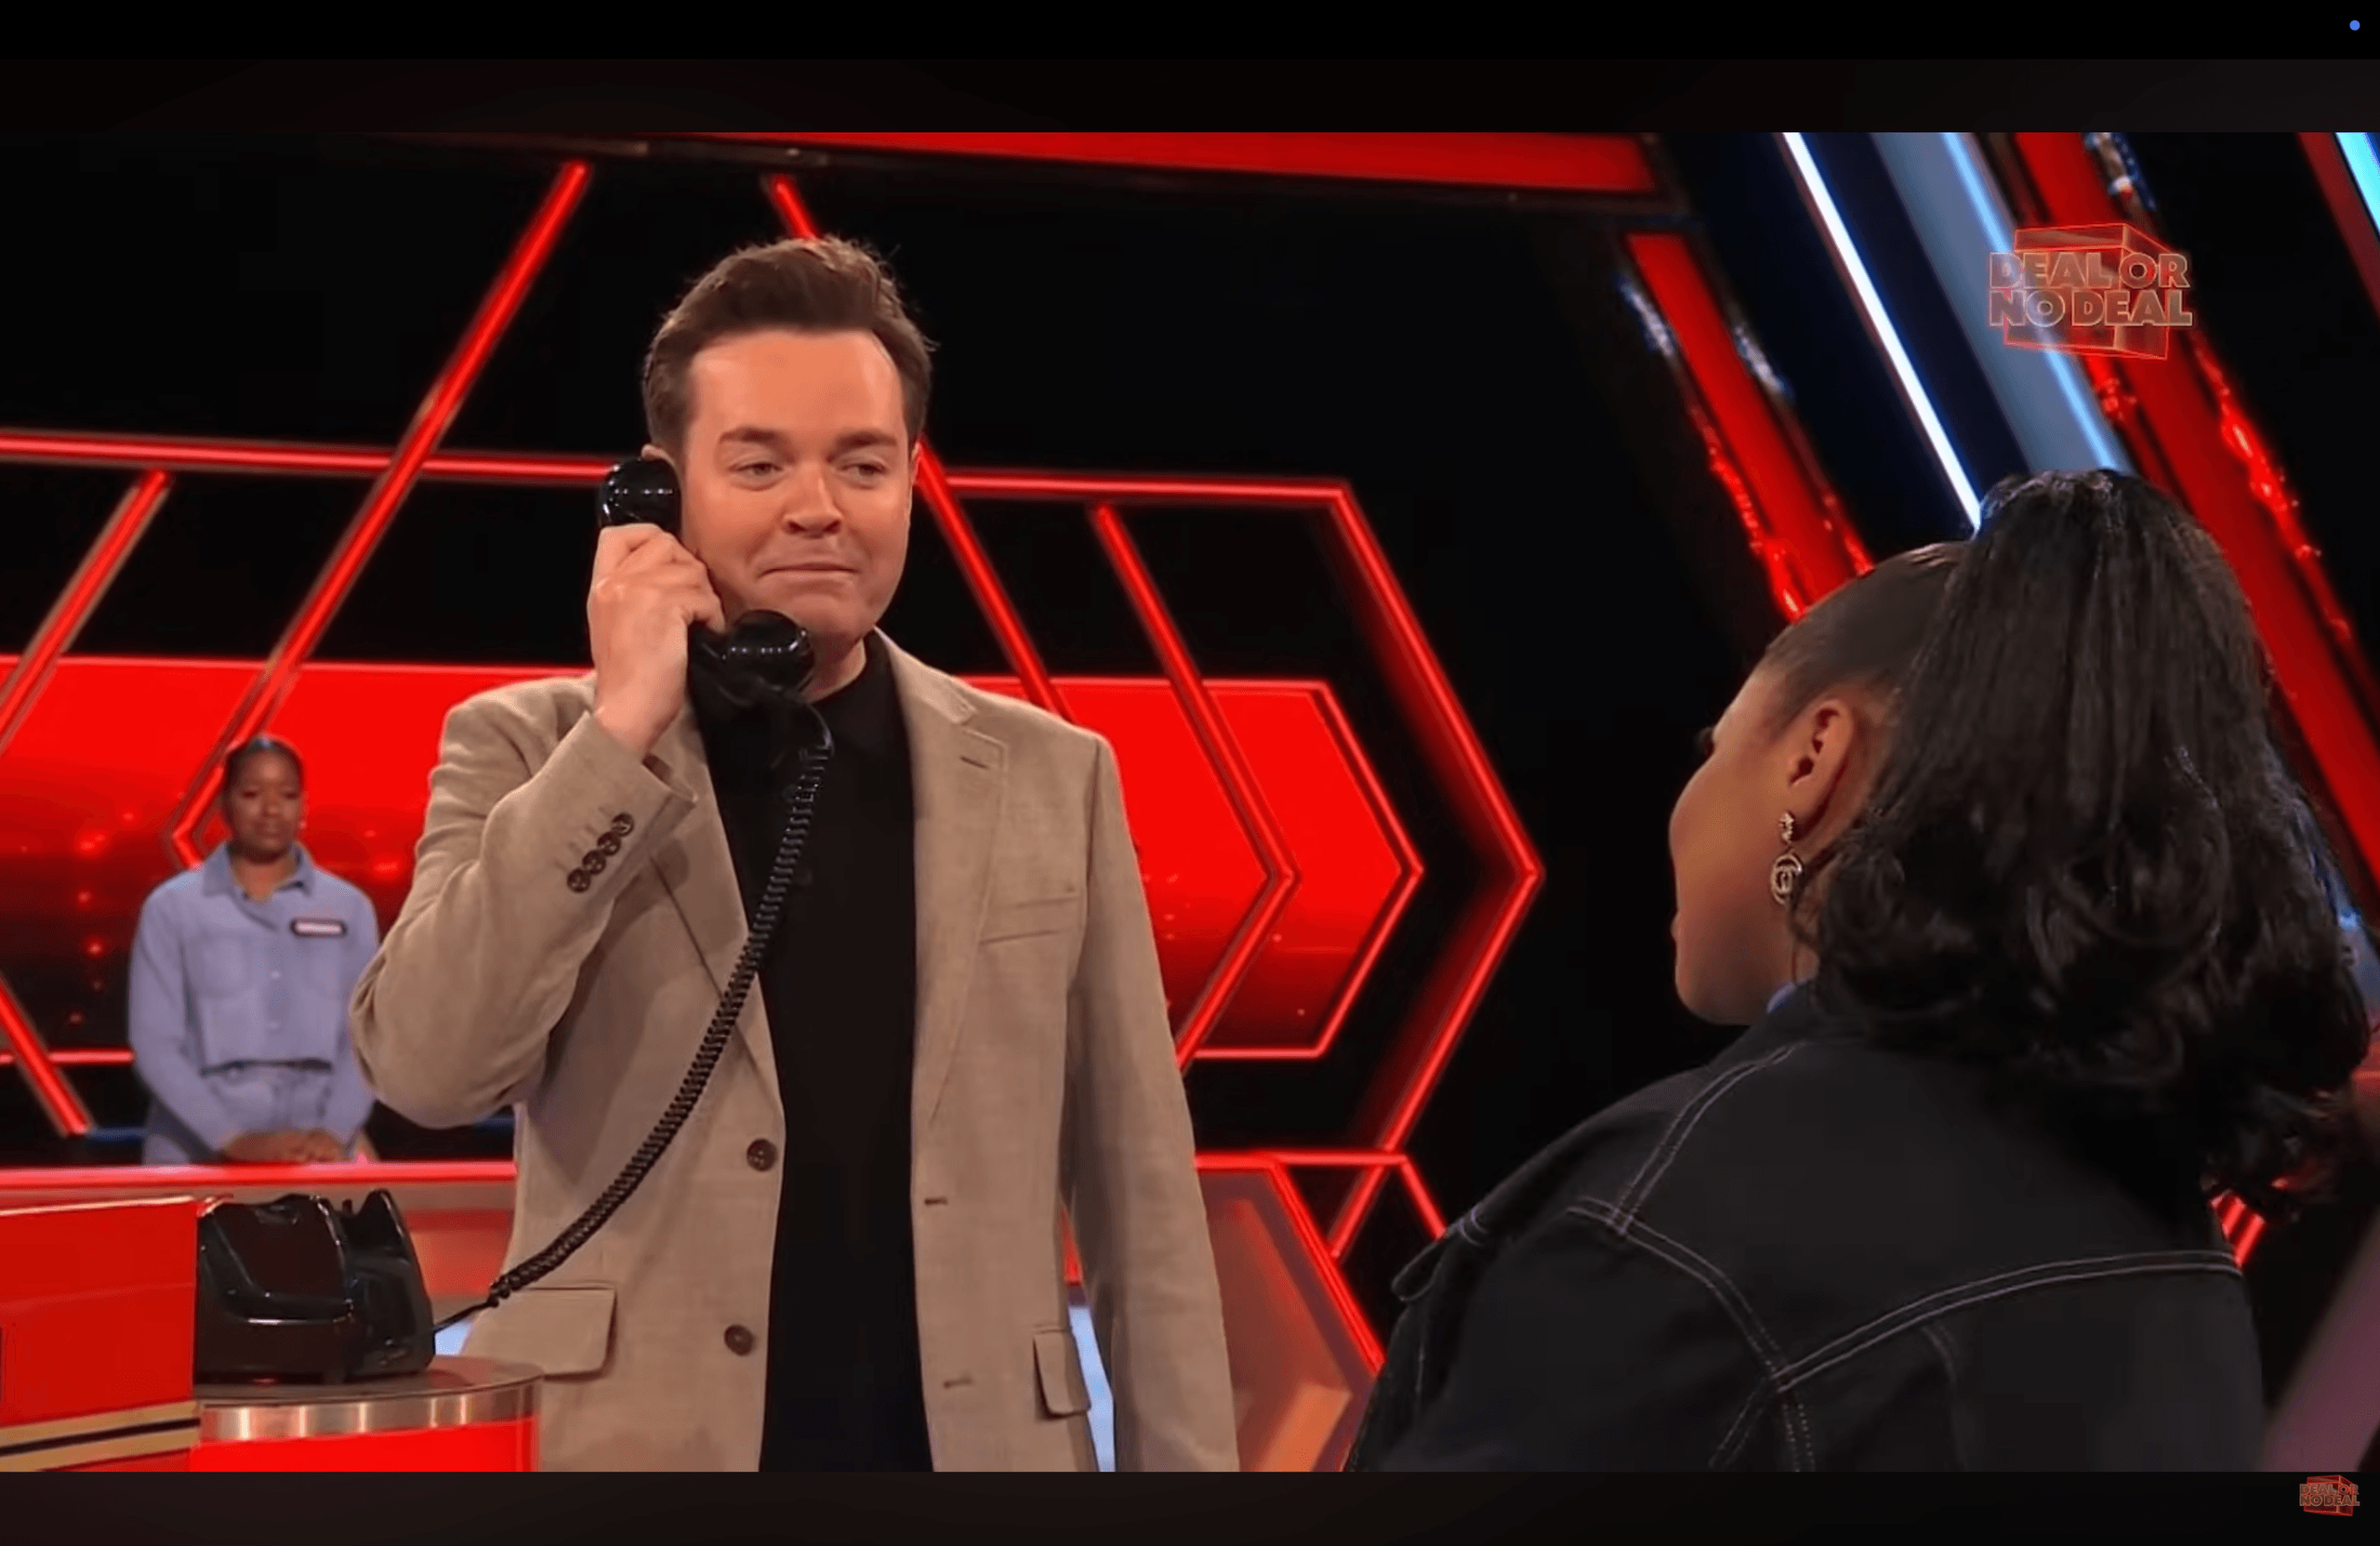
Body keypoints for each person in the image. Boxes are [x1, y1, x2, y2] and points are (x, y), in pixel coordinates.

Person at [350, 237, 1237, 1473]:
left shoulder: (1056, 774)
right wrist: (622, 729)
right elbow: (428, 1069)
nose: (819, 505)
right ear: (659, 494)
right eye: (759, 463)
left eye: (862, 464)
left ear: (910, 482)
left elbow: (1142, 1196)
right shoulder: (532, 745)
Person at [1348, 471, 2370, 1470]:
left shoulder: (1685, 1222)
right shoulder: (2176, 1250)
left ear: (1812, 759)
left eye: (1714, 743)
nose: (1689, 791)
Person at [128, 736, 381, 1165]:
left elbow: (368, 1038)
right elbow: (154, 1044)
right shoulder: (171, 908)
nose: (271, 810)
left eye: (287, 795)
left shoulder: (349, 908)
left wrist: (333, 1132)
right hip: (196, 1144)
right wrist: (231, 1138)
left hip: (319, 1140)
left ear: (303, 805)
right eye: (251, 794)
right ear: (224, 804)